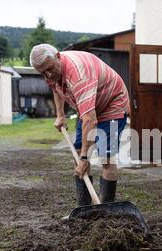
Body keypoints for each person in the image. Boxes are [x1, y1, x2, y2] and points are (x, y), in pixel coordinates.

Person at [29, 44, 130, 206]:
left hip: (112, 105)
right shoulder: (50, 70)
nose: (48, 74)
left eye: (49, 68)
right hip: (88, 106)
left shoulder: (79, 75)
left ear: (58, 56)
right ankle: (83, 208)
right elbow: (56, 87)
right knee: (78, 155)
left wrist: (85, 157)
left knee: (106, 158)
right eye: (43, 72)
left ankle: (106, 209)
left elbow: (90, 120)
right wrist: (60, 115)